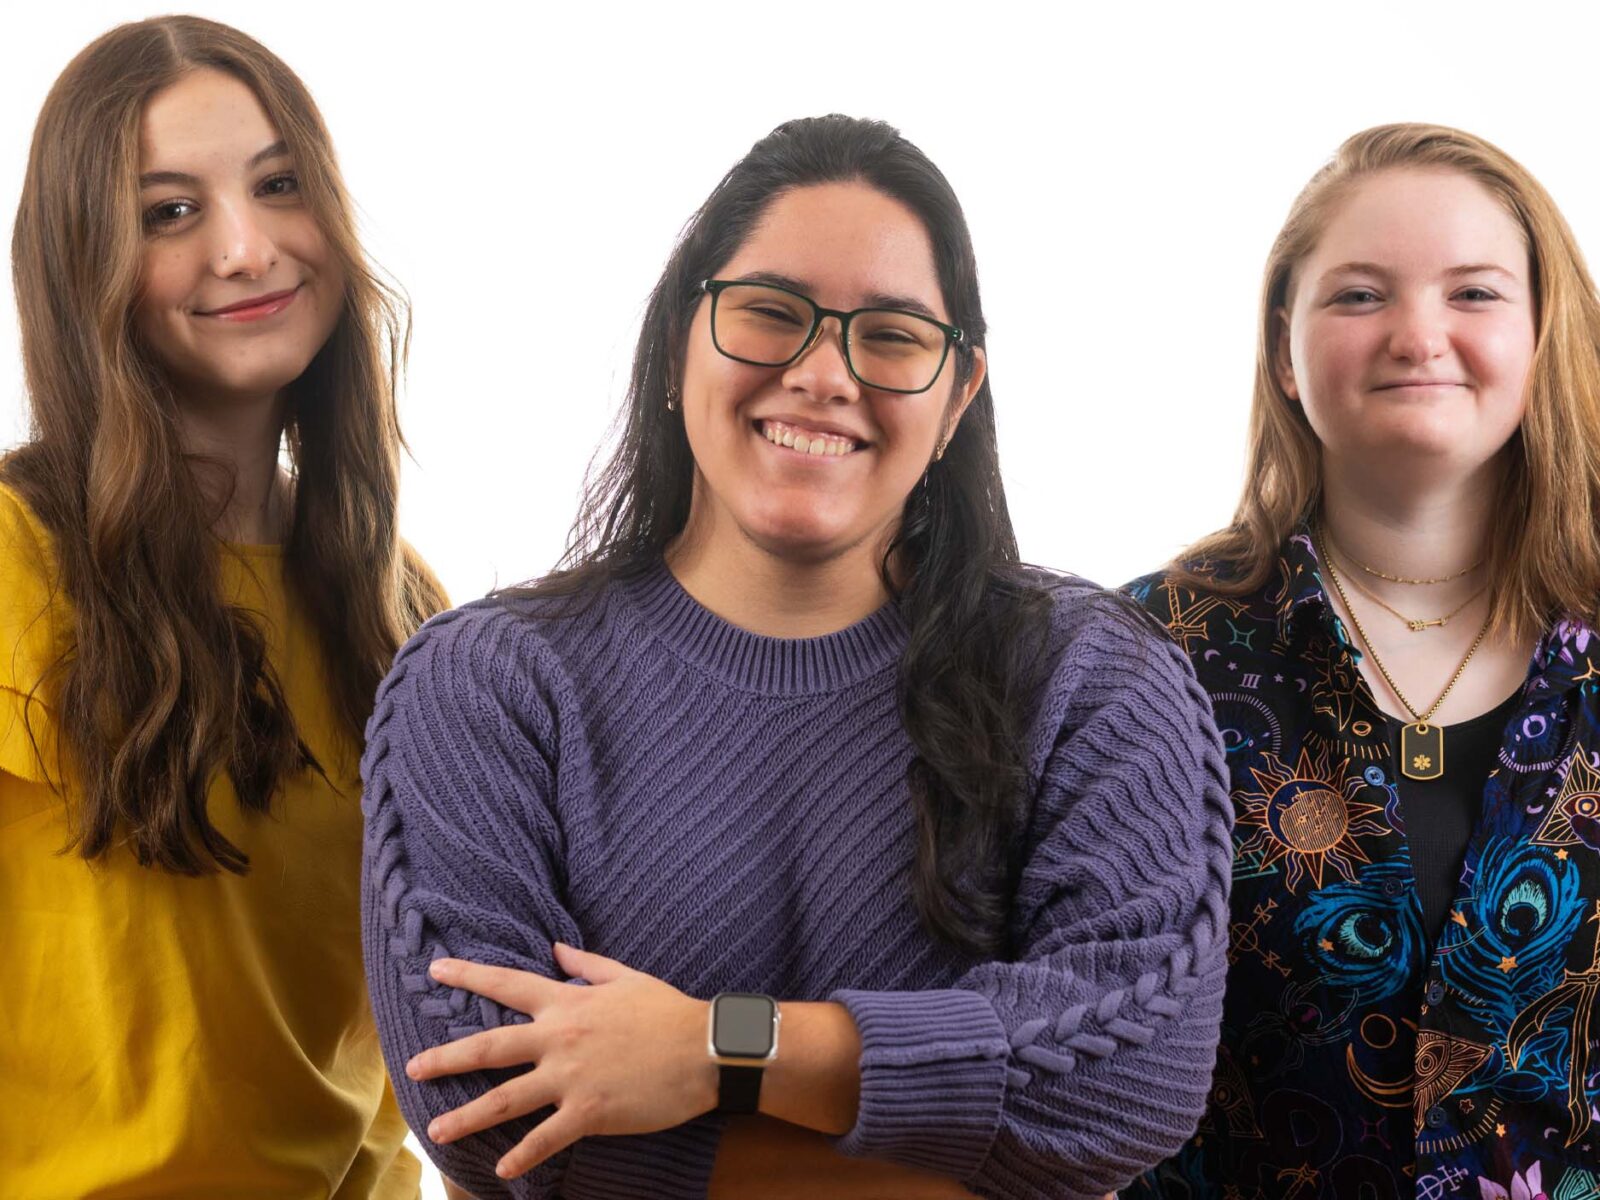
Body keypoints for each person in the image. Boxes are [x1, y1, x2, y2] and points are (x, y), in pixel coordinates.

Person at [361, 114, 1232, 1200]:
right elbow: (488, 1109)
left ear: (957, 396)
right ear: (678, 346)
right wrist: (964, 1160)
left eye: (892, 336)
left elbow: (1131, 1075)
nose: (824, 374)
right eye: (771, 315)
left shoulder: (1091, 681)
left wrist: (714, 1050)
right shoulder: (486, 684)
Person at [0, 16, 446, 1196]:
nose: (248, 249)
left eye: (279, 183)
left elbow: (405, 1044)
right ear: (80, 256)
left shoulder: (406, 605)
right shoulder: (7, 559)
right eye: (170, 211)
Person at [1125, 123, 1600, 1200]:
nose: (1416, 334)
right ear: (1282, 354)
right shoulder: (1143, 657)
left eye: (1473, 294)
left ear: (1543, 336)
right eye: (1357, 296)